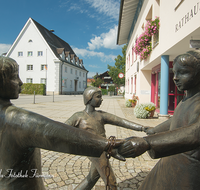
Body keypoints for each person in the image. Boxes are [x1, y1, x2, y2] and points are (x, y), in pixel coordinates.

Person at [0, 56, 127, 190]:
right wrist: (108, 145)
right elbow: (56, 133)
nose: (20, 82)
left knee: (94, 176)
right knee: (102, 178)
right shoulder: (16, 117)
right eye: (14, 77)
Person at [118, 50, 200, 190]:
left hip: (188, 167)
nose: (175, 78)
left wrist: (147, 142)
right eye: (175, 72)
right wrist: (154, 131)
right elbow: (176, 120)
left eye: (183, 72)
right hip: (171, 158)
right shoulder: (185, 99)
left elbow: (195, 132)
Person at [65, 86, 150, 190]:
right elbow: (63, 130)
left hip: (104, 149)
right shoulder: (78, 116)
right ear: (89, 98)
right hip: (94, 151)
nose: (101, 99)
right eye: (98, 97)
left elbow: (121, 121)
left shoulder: (101, 115)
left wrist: (141, 128)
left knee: (92, 178)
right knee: (111, 181)